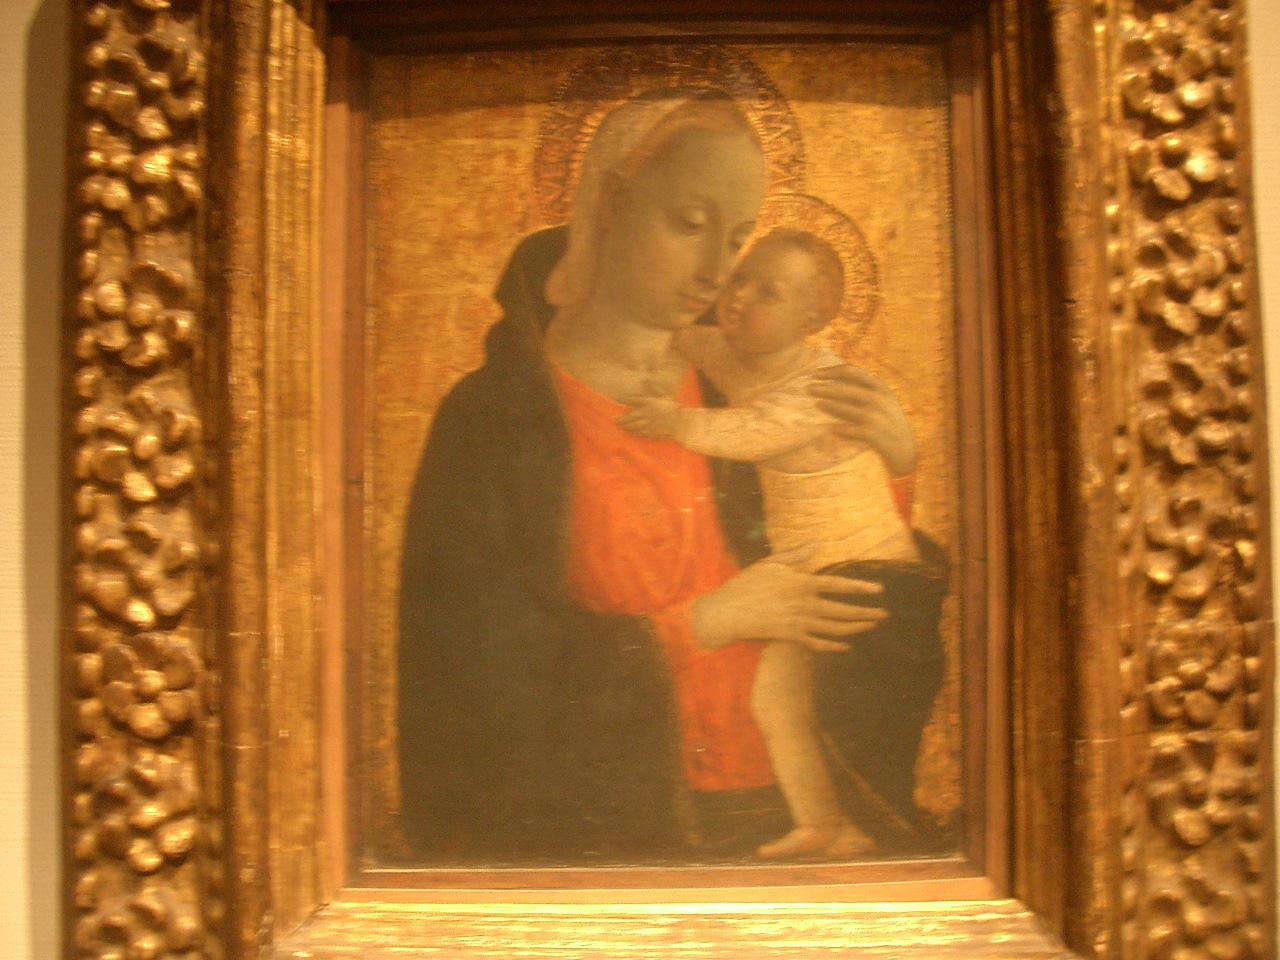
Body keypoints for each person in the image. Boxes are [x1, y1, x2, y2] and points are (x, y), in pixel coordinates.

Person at [397, 90, 936, 865]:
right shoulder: (495, 416)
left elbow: (846, 587)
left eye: (738, 239)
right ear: (609, 204)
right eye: (689, 224)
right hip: (617, 829)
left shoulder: (735, 390)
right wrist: (704, 622)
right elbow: (472, 686)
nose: (718, 271)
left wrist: (895, 467)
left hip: (787, 814)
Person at [617, 227, 921, 859]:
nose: (739, 298)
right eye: (740, 280)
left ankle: (865, 821)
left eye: (768, 293)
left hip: (866, 566)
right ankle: (825, 825)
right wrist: (658, 358)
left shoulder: (823, 386)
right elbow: (683, 339)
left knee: (845, 709)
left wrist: (674, 421)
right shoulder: (736, 350)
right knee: (776, 699)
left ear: (810, 320)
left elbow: (752, 432)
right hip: (808, 569)